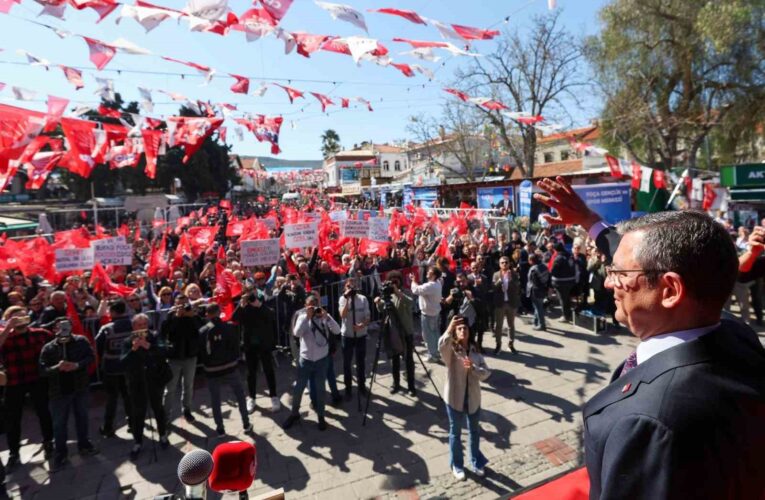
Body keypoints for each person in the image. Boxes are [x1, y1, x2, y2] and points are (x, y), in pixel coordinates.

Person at [535, 175, 765, 498]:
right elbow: (640, 257)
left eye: (618, 274)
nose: (607, 283)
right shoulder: (736, 335)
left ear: (671, 290)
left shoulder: (648, 422)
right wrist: (589, 220)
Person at [39, 319, 98, 471]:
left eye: (66, 326)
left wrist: (76, 365)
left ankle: (84, 445)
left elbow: (90, 357)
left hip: (80, 387)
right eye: (60, 327)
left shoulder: (81, 341)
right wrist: (56, 368)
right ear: (54, 329)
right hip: (58, 392)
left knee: (82, 417)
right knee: (59, 424)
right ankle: (61, 453)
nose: (63, 329)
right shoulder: (48, 347)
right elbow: (42, 370)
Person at [0, 306, 54, 468]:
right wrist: (8, 328)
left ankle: (48, 442)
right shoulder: (5, 337)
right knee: (13, 418)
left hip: (36, 379)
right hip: (14, 381)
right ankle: (14, 452)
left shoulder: (40, 333)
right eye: (15, 318)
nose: (19, 320)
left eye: (22, 316)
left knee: (44, 412)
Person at [438, 316, 490, 481]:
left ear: (469, 332)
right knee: (455, 433)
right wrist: (449, 327)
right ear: (455, 332)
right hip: (455, 397)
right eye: (459, 328)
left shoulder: (475, 349)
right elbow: (440, 345)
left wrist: (473, 368)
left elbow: (486, 373)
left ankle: (475, 461)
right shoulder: (451, 351)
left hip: (473, 398)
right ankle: (457, 465)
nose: (462, 330)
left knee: (475, 431)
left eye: (465, 328)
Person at [282, 297, 341, 431]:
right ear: (305, 306)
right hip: (306, 360)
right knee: (299, 389)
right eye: (310, 305)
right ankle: (294, 413)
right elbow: (297, 333)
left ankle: (321, 416)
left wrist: (327, 317)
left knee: (320, 390)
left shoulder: (324, 316)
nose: (314, 308)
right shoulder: (302, 317)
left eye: (315, 305)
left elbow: (337, 331)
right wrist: (307, 318)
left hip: (321, 360)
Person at [121, 313, 169, 460]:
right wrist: (134, 349)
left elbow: (164, 351)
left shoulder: (154, 336)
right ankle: (138, 442)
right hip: (136, 382)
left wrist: (148, 346)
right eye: (138, 325)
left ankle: (163, 435)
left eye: (144, 324)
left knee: (158, 409)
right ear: (133, 326)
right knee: (138, 413)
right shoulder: (127, 341)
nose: (142, 327)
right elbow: (123, 362)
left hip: (154, 380)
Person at [198, 304, 252, 436]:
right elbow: (235, 346)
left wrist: (206, 364)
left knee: (215, 400)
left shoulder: (203, 331)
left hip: (212, 370)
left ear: (207, 314)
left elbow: (201, 351)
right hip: (230, 367)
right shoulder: (228, 327)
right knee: (240, 395)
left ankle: (220, 428)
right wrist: (233, 360)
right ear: (219, 312)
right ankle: (246, 423)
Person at [233, 289, 280, 414]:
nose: (251, 296)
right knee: (251, 372)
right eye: (248, 293)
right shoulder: (244, 305)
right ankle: (252, 397)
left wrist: (258, 305)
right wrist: (240, 306)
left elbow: (271, 315)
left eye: (252, 292)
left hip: (264, 343)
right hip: (250, 344)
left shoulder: (262, 299)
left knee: (268, 369)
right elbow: (234, 319)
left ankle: (274, 396)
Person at [161, 294, 203, 424]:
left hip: (190, 356)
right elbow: (164, 332)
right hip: (174, 357)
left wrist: (192, 317)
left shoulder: (193, 315)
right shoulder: (171, 315)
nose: (183, 307)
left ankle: (187, 410)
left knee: (188, 386)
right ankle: (166, 415)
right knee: (170, 389)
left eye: (185, 304)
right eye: (180, 304)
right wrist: (177, 318)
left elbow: (201, 330)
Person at [95, 300, 133, 437]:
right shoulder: (133, 325)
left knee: (112, 398)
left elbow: (98, 346)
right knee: (128, 396)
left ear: (113, 312)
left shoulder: (107, 328)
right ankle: (133, 423)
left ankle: (108, 427)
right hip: (129, 367)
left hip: (111, 368)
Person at [375, 274, 416, 396]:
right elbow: (382, 309)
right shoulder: (388, 295)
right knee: (395, 360)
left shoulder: (405, 292)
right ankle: (396, 383)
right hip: (394, 332)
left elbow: (410, 304)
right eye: (391, 281)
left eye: (396, 281)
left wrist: (397, 292)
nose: (394, 283)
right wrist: (378, 302)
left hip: (406, 330)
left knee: (408, 360)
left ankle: (411, 386)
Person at [338, 279, 371, 400]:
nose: (351, 288)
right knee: (347, 363)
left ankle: (362, 386)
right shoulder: (342, 299)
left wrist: (362, 325)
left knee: (361, 362)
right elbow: (342, 315)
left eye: (353, 286)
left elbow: (368, 317)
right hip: (347, 336)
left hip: (361, 335)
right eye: (348, 286)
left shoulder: (363, 299)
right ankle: (348, 389)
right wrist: (347, 299)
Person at [410, 266, 443, 362]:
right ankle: (436, 352)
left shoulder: (431, 285)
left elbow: (416, 290)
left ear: (434, 275)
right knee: (435, 333)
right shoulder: (437, 282)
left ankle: (432, 355)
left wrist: (413, 280)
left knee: (428, 335)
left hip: (428, 314)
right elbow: (420, 288)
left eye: (430, 271)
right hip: (434, 312)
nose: (428, 272)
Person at [491, 257, 520, 354]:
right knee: (498, 325)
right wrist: (499, 281)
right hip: (500, 304)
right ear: (499, 264)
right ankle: (498, 344)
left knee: (511, 325)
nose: (504, 264)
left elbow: (517, 288)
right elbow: (494, 288)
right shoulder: (496, 274)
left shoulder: (514, 274)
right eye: (502, 262)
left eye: (506, 262)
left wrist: (510, 280)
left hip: (511, 303)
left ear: (509, 264)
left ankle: (510, 344)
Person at [550, 242, 576, 322]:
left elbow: (554, 271)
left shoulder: (558, 258)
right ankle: (568, 314)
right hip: (571, 281)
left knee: (562, 299)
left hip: (561, 282)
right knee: (567, 298)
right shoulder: (569, 256)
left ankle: (565, 316)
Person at [527, 253, 549, 331]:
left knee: (539, 308)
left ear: (531, 260)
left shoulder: (533, 269)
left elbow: (532, 281)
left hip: (535, 291)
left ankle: (542, 325)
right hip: (543, 289)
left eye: (528, 259)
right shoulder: (544, 266)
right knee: (538, 307)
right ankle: (536, 321)